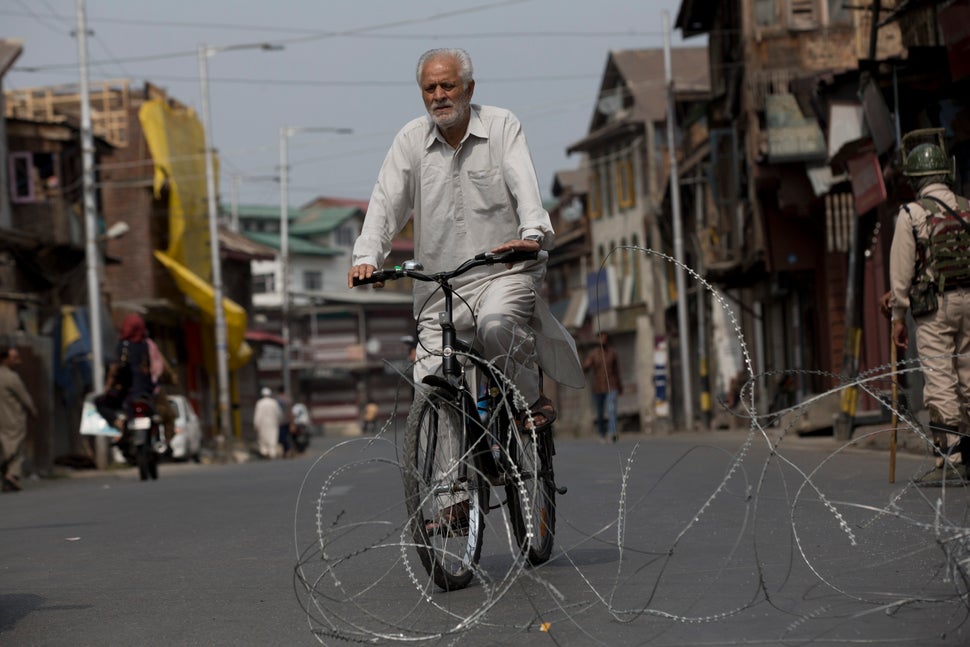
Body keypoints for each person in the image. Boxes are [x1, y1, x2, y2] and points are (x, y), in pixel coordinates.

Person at [347, 48, 584, 529]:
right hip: (439, 289)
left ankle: (527, 400)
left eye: (448, 86)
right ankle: (454, 501)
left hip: (503, 273)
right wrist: (367, 257)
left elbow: (526, 188)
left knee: (497, 327)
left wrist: (533, 235)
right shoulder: (410, 142)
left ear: (469, 89)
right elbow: (384, 204)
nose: (439, 96)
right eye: (430, 88)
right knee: (431, 377)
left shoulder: (501, 127)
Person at [888, 131, 970, 483]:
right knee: (968, 375)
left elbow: (901, 274)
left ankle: (951, 455)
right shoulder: (967, 207)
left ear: (914, 179)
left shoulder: (911, 214)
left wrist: (897, 316)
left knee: (940, 378)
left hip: (934, 309)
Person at [0, 346, 37, 492]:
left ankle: (9, 476)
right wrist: (33, 411)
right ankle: (11, 475)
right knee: (15, 448)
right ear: (4, 359)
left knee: (6, 445)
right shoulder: (11, 377)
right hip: (12, 418)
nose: (18, 361)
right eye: (14, 358)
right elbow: (25, 398)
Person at [582, 331, 623, 443]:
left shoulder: (612, 353)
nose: (603, 340)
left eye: (604, 338)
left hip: (612, 385)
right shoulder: (593, 354)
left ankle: (611, 432)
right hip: (598, 387)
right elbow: (586, 367)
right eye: (600, 338)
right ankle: (602, 433)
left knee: (612, 409)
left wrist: (620, 385)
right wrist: (584, 366)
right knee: (600, 412)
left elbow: (617, 370)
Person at [254, 387, 282, 459]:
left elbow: (258, 415)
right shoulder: (274, 402)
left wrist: (256, 424)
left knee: (262, 438)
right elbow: (278, 413)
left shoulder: (260, 403)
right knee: (272, 438)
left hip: (262, 423)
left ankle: (264, 452)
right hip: (273, 423)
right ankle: (272, 453)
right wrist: (279, 421)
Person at [276, 387, 294, 458]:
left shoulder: (277, 400)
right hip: (288, 421)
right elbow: (291, 412)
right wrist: (292, 423)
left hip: (281, 422)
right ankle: (287, 450)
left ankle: (288, 449)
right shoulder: (288, 399)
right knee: (286, 437)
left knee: (282, 437)